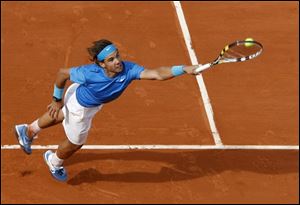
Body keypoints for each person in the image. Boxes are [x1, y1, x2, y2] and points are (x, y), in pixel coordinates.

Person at [14, 39, 201, 182]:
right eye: (111, 60)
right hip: (81, 107)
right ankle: (54, 161)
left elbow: (157, 74)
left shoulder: (129, 69)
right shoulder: (89, 73)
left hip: (83, 98)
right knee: (76, 141)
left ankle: (28, 130)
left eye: (117, 56)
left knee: (63, 114)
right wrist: (56, 99)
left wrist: (184, 68)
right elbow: (62, 73)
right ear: (102, 64)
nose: (118, 62)